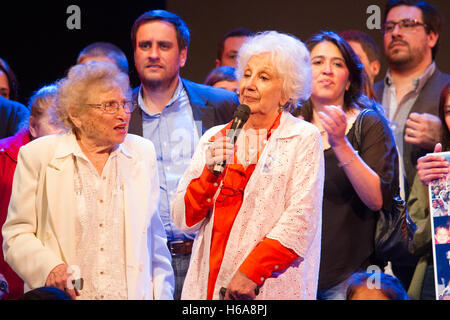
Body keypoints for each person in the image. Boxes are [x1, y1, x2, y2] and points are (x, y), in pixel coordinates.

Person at [2, 61, 174, 300]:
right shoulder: (38, 156)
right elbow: (16, 235)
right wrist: (49, 267)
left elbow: (155, 243)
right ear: (76, 114)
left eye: (125, 103)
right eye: (109, 106)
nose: (122, 114)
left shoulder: (142, 153)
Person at [171, 31, 324, 300]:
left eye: (263, 77)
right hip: (207, 286)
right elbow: (184, 219)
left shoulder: (302, 137)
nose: (249, 85)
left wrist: (251, 273)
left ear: (286, 91)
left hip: (260, 287)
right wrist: (209, 173)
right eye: (247, 74)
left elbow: (301, 219)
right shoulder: (214, 137)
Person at [128, 9, 239, 300]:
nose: (153, 54)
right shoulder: (121, 112)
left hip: (206, 253)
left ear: (182, 55)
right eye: (144, 46)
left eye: (163, 46)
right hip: (147, 259)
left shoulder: (219, 104)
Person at [293, 31, 398, 300]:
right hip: (293, 270)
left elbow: (376, 198)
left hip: (346, 278)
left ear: (349, 78)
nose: (327, 70)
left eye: (338, 64)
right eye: (317, 62)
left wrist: (340, 143)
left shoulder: (369, 123)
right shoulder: (289, 124)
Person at [374, 0, 450, 197]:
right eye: (389, 27)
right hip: (373, 222)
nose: (396, 32)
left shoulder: (448, 90)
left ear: (431, 37)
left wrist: (445, 137)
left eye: (408, 24)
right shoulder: (367, 95)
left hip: (429, 219)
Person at [0, 84, 62, 300]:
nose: (64, 132)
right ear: (33, 127)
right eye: (56, 123)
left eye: (70, 124)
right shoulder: (4, 158)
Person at [407, 83, 449, 299]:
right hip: (440, 274)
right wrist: (433, 192)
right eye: (449, 111)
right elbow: (413, 239)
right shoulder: (435, 164)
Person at [340, 30, 381, 100]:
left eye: (354, 59)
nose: (348, 64)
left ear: (375, 68)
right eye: (341, 60)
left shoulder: (385, 105)